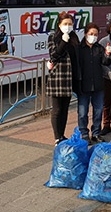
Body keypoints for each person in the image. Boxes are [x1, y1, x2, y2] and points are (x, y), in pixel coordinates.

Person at [47, 12, 81, 146]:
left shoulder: (74, 37)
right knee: (57, 109)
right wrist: (63, 42)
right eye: (65, 24)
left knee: (65, 109)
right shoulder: (53, 37)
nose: (67, 26)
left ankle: (62, 135)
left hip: (69, 78)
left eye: (70, 24)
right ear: (59, 25)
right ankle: (57, 137)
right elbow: (54, 55)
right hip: (58, 78)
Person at [78, 22, 111, 145]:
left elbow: (105, 62)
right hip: (84, 86)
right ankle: (84, 134)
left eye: (95, 34)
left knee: (98, 111)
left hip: (98, 85)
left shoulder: (99, 48)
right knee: (83, 112)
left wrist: (108, 55)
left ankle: (96, 133)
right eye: (91, 34)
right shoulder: (80, 48)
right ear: (86, 34)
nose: (93, 36)